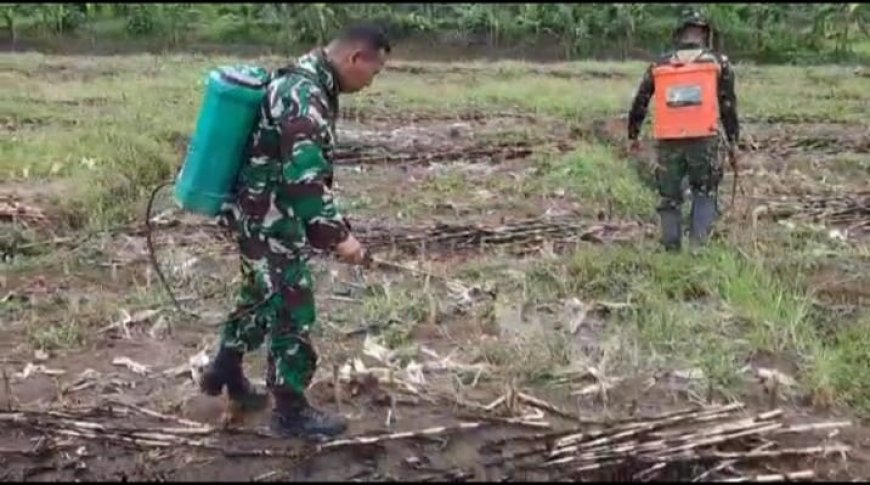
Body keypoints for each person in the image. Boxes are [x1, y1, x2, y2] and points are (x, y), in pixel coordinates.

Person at [199, 24, 390, 440]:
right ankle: (290, 410)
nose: (371, 83)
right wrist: (341, 238)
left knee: (258, 294)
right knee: (292, 307)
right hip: (271, 218)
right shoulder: (304, 94)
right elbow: (305, 180)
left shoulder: (303, 80)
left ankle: (225, 368)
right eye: (374, 72)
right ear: (356, 58)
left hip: (257, 212)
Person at [627, 10, 739, 251]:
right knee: (705, 190)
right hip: (704, 139)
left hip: (668, 140)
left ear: (679, 34)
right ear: (705, 34)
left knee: (669, 197)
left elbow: (640, 102)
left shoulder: (659, 64)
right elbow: (728, 105)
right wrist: (733, 142)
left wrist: (633, 135)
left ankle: (671, 250)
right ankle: (698, 247)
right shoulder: (718, 63)